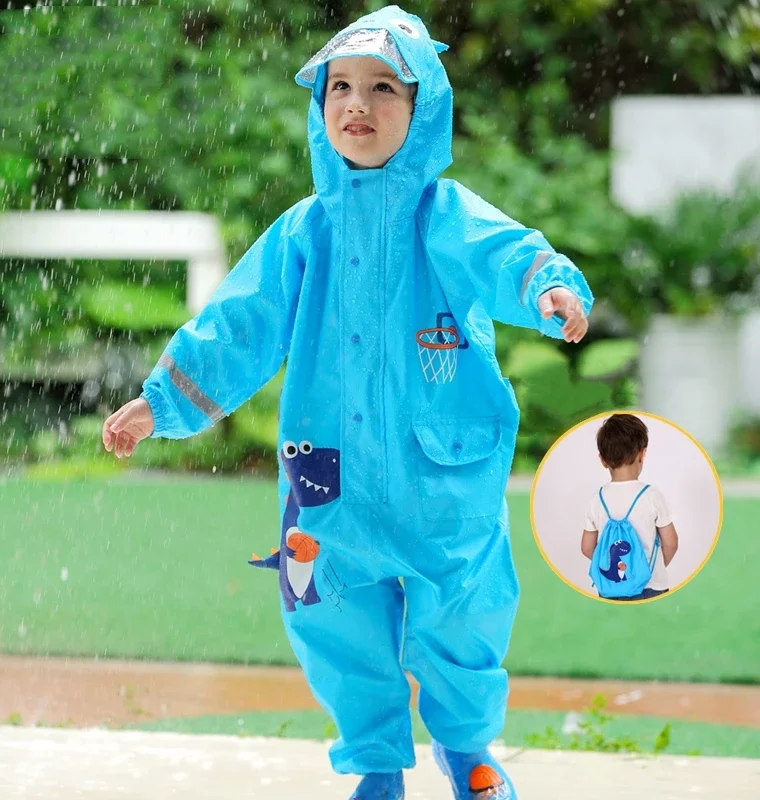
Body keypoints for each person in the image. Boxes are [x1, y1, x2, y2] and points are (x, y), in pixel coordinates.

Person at [102, 7, 593, 799]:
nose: (357, 104)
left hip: (441, 475)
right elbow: (239, 325)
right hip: (327, 471)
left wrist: (552, 291)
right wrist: (160, 403)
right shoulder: (306, 232)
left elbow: (511, 255)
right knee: (331, 617)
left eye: (383, 88)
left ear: (423, 106)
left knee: (463, 614)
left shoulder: (447, 217)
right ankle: (375, 764)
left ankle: (467, 750)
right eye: (340, 88)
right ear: (320, 105)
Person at [581, 414, 679, 601]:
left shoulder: (597, 499)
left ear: (602, 460)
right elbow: (671, 543)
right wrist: (652, 568)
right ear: (642, 454)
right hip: (651, 587)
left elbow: (587, 548)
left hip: (610, 589)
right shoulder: (652, 495)